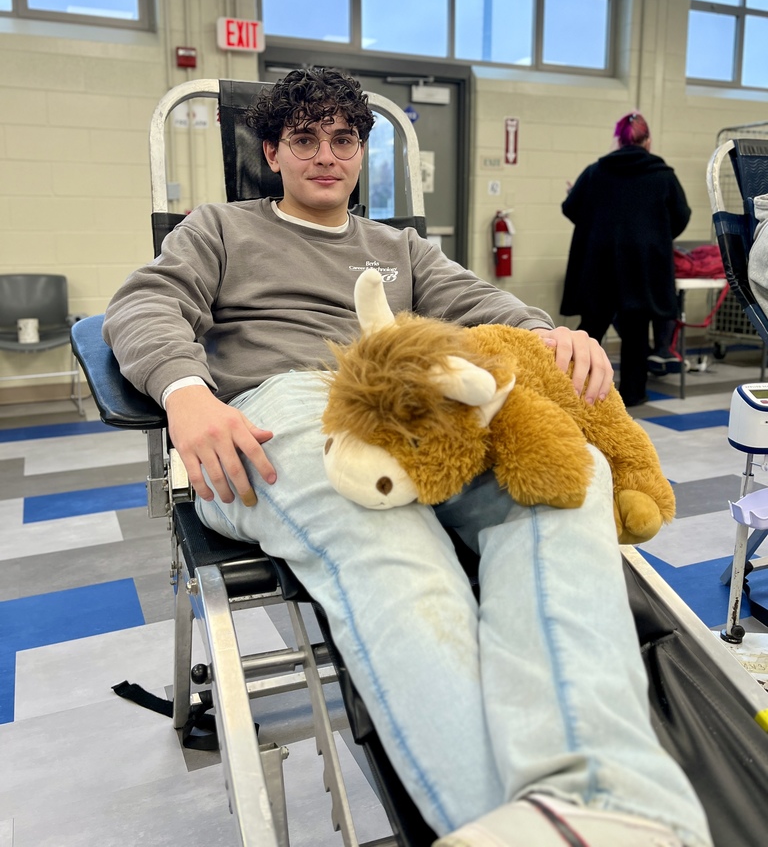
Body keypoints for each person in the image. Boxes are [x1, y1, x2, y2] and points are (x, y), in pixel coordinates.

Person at [103, 70, 711, 847]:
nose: (326, 156)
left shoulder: (400, 249)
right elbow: (143, 304)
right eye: (304, 140)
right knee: (391, 536)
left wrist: (550, 334)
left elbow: (485, 305)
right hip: (277, 412)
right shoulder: (221, 229)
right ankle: (504, 823)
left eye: (343, 140)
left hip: (410, 416)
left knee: (563, 481)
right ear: (272, 153)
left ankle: (602, 795)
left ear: (362, 153)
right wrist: (185, 391)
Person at [560, 112, 691, 407]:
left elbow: (571, 208)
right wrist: (655, 235)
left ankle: (571, 387)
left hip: (600, 264)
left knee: (591, 327)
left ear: (617, 140)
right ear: (648, 141)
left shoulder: (595, 172)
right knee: (636, 331)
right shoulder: (663, 176)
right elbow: (681, 216)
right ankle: (633, 394)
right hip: (642, 266)